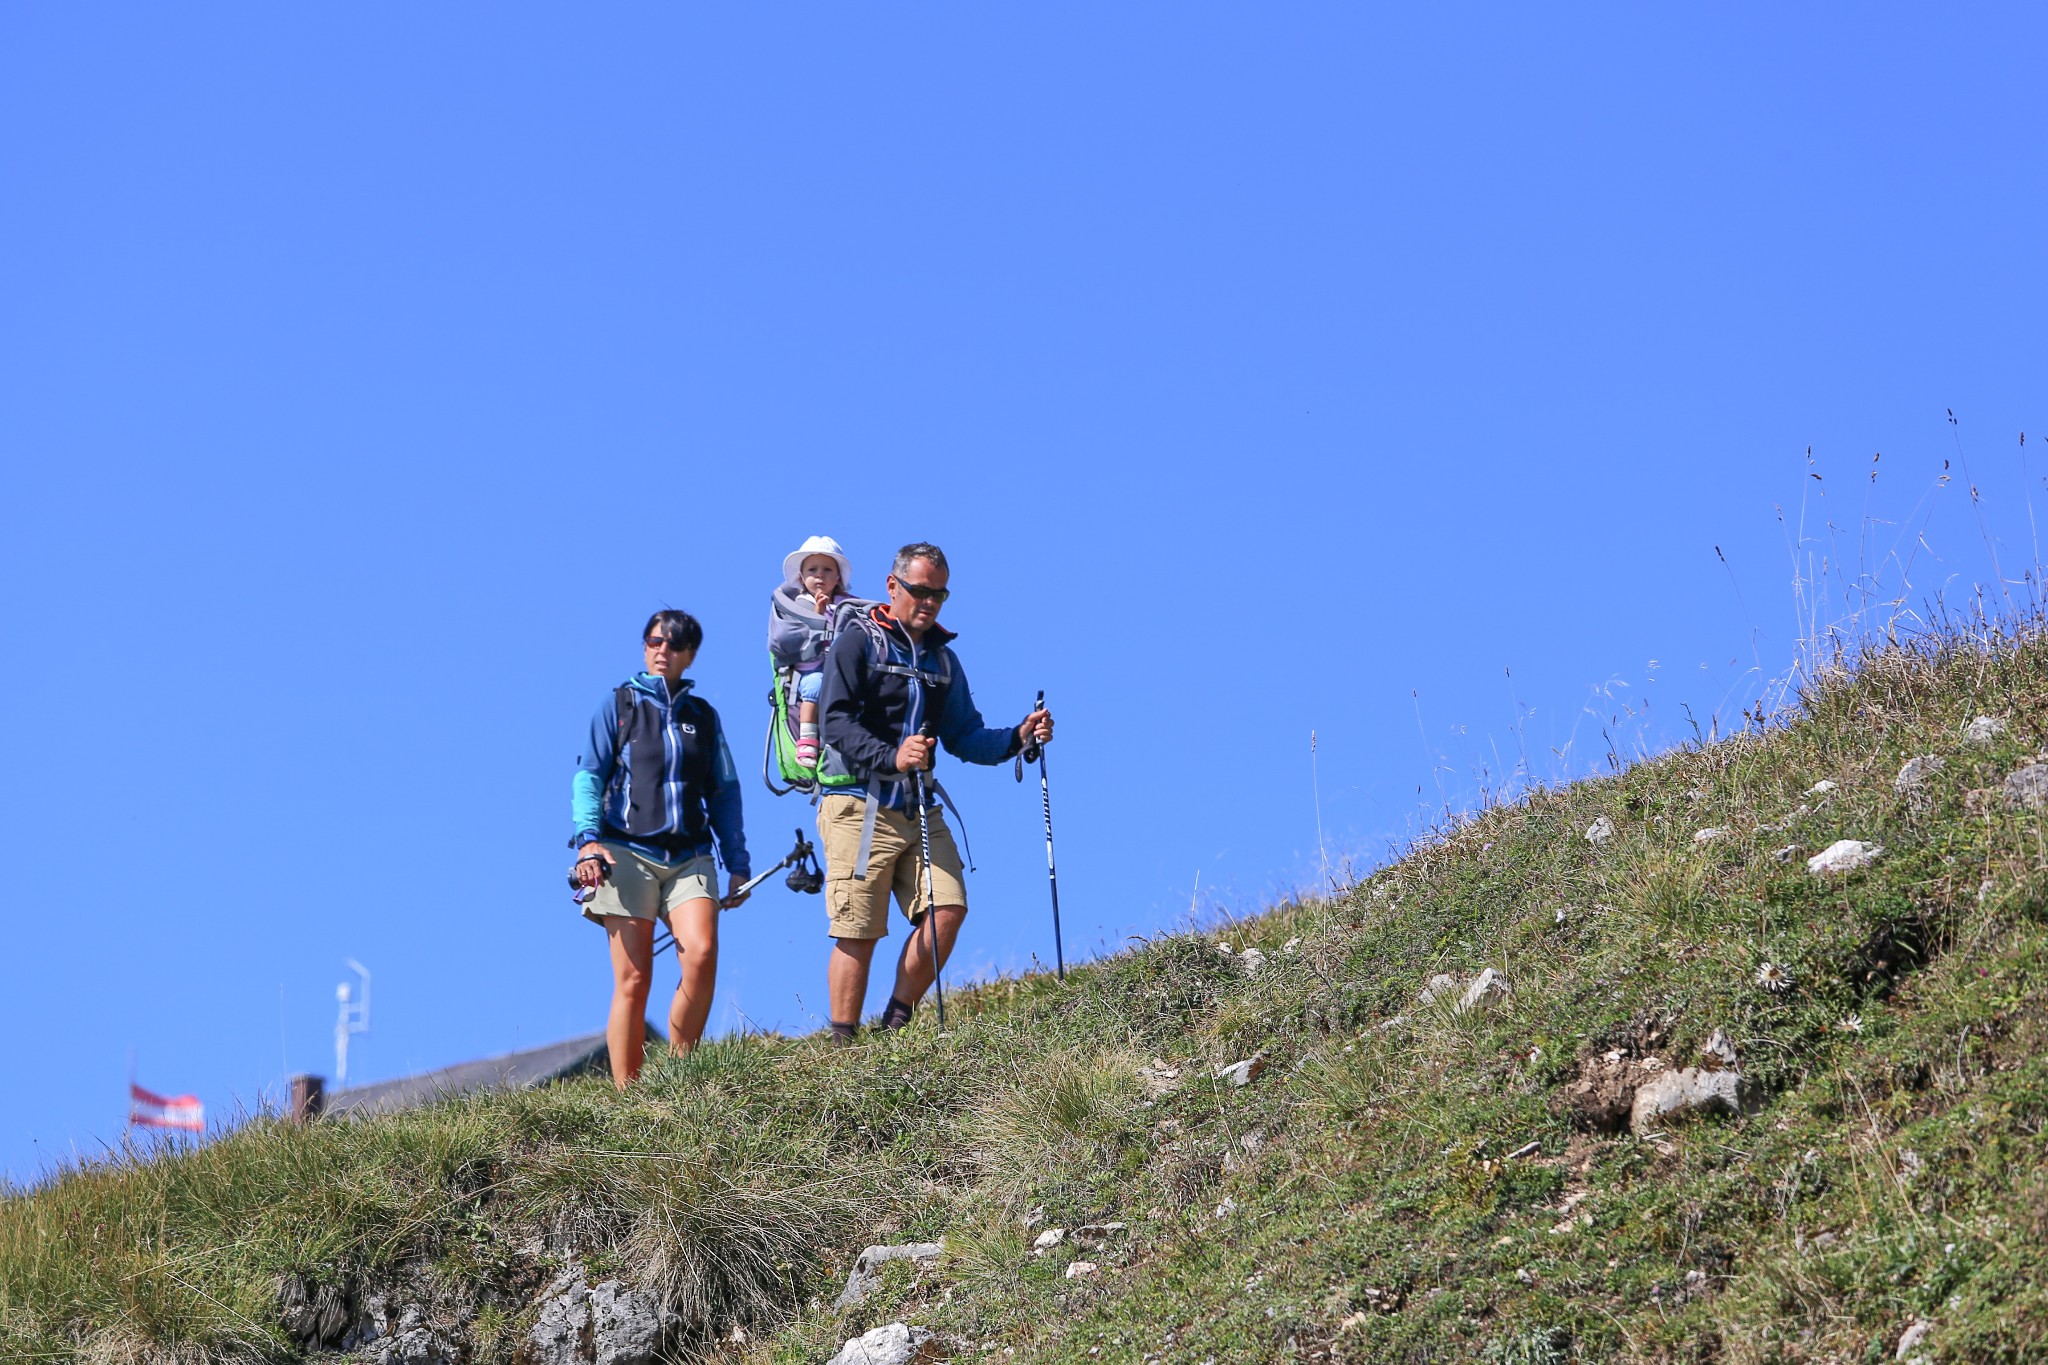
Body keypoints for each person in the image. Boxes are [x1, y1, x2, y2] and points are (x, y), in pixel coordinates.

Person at [816, 542, 1053, 1043]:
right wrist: (892, 756)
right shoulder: (857, 642)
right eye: (920, 591)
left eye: (938, 595)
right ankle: (842, 1049)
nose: (928, 603)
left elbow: (965, 735)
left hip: (919, 804)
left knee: (948, 910)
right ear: (892, 585)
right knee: (858, 929)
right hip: (859, 804)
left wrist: (1018, 737)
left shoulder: (942, 660)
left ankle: (895, 1026)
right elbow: (833, 720)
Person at [570, 610, 751, 1086]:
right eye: (653, 641)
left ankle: (678, 1074)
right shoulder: (620, 705)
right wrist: (588, 843)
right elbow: (589, 776)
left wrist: (737, 863)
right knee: (634, 979)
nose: (661, 651)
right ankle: (629, 1094)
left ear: (690, 655)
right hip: (624, 851)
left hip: (690, 853)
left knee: (702, 953)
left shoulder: (703, 716)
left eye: (672, 645)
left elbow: (726, 791)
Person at [767, 535, 858, 772]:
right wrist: (818, 613)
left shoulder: (848, 605)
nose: (820, 575)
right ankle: (807, 740)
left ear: (838, 576)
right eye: (813, 569)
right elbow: (795, 637)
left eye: (827, 569)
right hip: (810, 669)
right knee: (816, 686)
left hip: (841, 670)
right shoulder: (796, 604)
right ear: (801, 576)